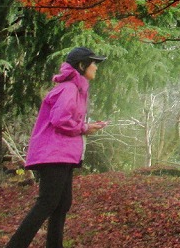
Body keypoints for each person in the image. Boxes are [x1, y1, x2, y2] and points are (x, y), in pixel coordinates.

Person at [6, 47, 109, 248]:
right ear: (81, 65)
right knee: (47, 203)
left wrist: (86, 127)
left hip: (63, 154)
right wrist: (85, 128)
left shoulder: (76, 88)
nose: (96, 67)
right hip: (54, 154)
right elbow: (60, 119)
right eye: (94, 63)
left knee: (62, 204)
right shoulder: (69, 88)